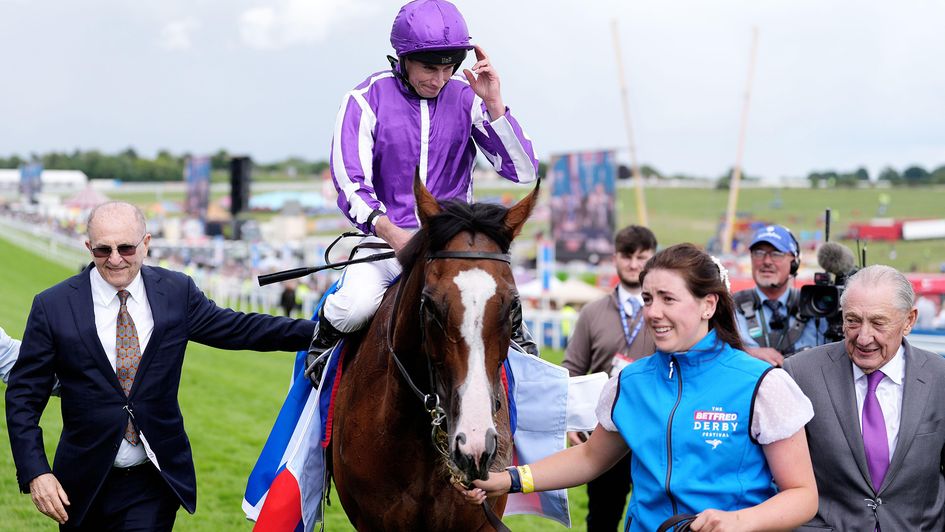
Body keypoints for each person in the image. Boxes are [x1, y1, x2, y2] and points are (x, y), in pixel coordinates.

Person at [460, 244, 818, 531]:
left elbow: (803, 496)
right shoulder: (630, 382)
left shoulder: (762, 385)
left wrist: (741, 521)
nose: (652, 312)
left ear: (709, 304)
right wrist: (509, 479)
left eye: (668, 298)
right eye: (648, 299)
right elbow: (590, 457)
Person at [5, 201, 316, 530]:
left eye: (125, 247)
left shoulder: (175, 291)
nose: (114, 259)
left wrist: (320, 332)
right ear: (88, 247)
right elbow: (24, 397)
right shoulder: (52, 306)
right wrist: (36, 471)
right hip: (82, 483)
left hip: (153, 480)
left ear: (146, 243)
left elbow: (240, 328)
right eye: (102, 249)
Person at [307, 0, 540, 380]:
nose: (440, 79)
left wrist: (494, 102)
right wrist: (390, 231)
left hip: (452, 248)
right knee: (352, 308)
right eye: (429, 68)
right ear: (401, 59)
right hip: (386, 246)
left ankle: (530, 429)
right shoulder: (364, 99)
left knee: (510, 330)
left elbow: (522, 170)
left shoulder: (468, 99)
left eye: (449, 68)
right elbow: (350, 183)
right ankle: (317, 387)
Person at [783, 265, 945, 529]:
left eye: (879, 323)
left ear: (909, 321)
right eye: (853, 321)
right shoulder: (801, 373)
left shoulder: (940, 377)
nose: (863, 337)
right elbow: (781, 479)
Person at [560, 225, 657, 532]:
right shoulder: (592, 312)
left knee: (654, 517)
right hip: (603, 433)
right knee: (601, 519)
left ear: (653, 258)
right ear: (615, 257)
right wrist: (571, 421)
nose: (633, 264)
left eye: (642, 257)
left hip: (655, 435)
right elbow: (572, 368)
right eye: (627, 256)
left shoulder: (666, 312)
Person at [734, 224, 821, 366]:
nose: (767, 261)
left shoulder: (815, 307)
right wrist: (747, 353)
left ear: (794, 262)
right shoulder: (731, 307)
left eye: (776, 254)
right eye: (759, 253)